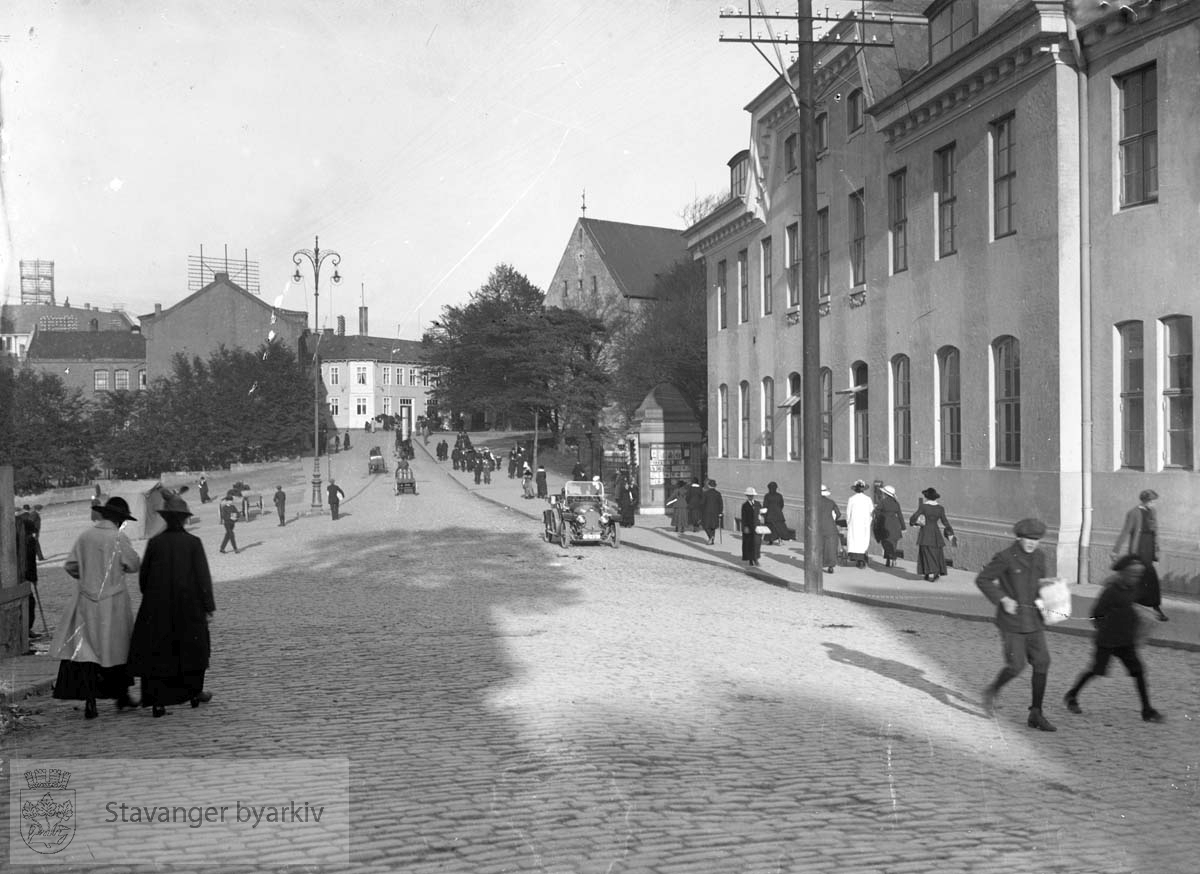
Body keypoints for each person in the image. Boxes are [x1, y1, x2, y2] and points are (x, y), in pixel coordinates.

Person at [49, 497, 141, 719]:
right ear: (119, 520)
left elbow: (70, 565)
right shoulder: (118, 538)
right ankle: (122, 696)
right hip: (113, 604)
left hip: (86, 603)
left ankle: (90, 703)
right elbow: (133, 564)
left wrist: (87, 575)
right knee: (117, 651)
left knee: (87, 655)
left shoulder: (85, 536)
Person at [126, 491, 215, 718]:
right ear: (185, 518)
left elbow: (143, 578)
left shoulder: (155, 543)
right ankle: (193, 693)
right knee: (192, 649)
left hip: (157, 607)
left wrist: (154, 597)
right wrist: (208, 605)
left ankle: (157, 702)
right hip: (189, 606)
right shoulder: (193, 543)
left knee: (157, 653)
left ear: (165, 518)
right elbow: (203, 577)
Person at [977, 518, 1057, 732]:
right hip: (1011, 622)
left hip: (1034, 621)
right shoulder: (1005, 557)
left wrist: (1051, 596)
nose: (1032, 543)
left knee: (1042, 662)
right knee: (1016, 666)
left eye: (1036, 540)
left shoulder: (1039, 556)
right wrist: (1003, 598)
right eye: (1028, 539)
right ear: (1018, 537)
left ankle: (1036, 713)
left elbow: (1040, 583)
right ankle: (992, 690)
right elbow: (983, 579)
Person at [1063, 556, 1164, 724]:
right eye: (1132, 574)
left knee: (1138, 672)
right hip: (1107, 641)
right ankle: (1072, 695)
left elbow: (1137, 602)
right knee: (1096, 671)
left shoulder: (1134, 588)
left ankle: (1147, 710)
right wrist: (1107, 629)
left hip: (1126, 641)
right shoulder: (1110, 591)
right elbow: (1096, 614)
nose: (1136, 578)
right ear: (1123, 574)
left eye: (1138, 575)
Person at [1111, 489, 1167, 622]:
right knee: (1141, 578)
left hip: (1149, 548)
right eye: (1152, 501)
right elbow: (1125, 531)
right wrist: (1115, 550)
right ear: (1145, 500)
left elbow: (1155, 531)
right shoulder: (1133, 513)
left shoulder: (1152, 511)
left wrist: (1156, 551)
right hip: (1139, 550)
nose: (1154, 504)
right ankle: (1147, 608)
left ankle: (1154, 608)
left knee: (1148, 579)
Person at [910, 487, 955, 582]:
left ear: (926, 497)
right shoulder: (940, 508)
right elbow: (945, 521)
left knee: (925, 553)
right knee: (936, 553)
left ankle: (927, 572)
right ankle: (936, 572)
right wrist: (951, 532)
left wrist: (912, 522)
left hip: (925, 532)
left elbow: (915, 516)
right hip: (936, 532)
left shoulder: (923, 507)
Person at [874, 485, 907, 568]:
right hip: (895, 524)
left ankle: (889, 559)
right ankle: (893, 559)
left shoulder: (883, 502)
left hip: (886, 523)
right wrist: (903, 527)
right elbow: (900, 515)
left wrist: (880, 517)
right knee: (894, 543)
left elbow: (876, 511)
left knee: (886, 542)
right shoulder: (896, 503)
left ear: (885, 493)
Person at [845, 480, 874, 569]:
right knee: (863, 540)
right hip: (864, 523)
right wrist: (869, 521)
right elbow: (871, 512)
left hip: (854, 523)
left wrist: (848, 522)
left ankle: (857, 559)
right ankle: (862, 559)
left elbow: (848, 513)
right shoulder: (868, 499)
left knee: (854, 540)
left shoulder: (851, 499)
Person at [818, 485, 842, 573]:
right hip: (830, 527)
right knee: (831, 548)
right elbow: (838, 514)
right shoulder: (831, 502)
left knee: (819, 547)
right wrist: (833, 519)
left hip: (818, 528)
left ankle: (818, 564)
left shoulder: (814, 502)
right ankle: (831, 566)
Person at [740, 487, 763, 567]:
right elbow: (743, 517)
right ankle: (750, 559)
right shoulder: (745, 505)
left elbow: (761, 513)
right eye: (749, 495)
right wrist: (745, 527)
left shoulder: (758, 504)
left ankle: (756, 558)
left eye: (752, 495)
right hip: (749, 527)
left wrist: (762, 516)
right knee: (749, 543)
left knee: (757, 543)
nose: (751, 497)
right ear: (747, 496)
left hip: (756, 526)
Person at [701, 480, 723, 545]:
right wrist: (720, 512)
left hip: (707, 512)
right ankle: (712, 540)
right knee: (713, 526)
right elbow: (720, 503)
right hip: (715, 512)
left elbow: (702, 503)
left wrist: (701, 510)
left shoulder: (705, 493)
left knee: (706, 526)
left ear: (709, 485)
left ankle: (711, 537)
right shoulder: (718, 493)